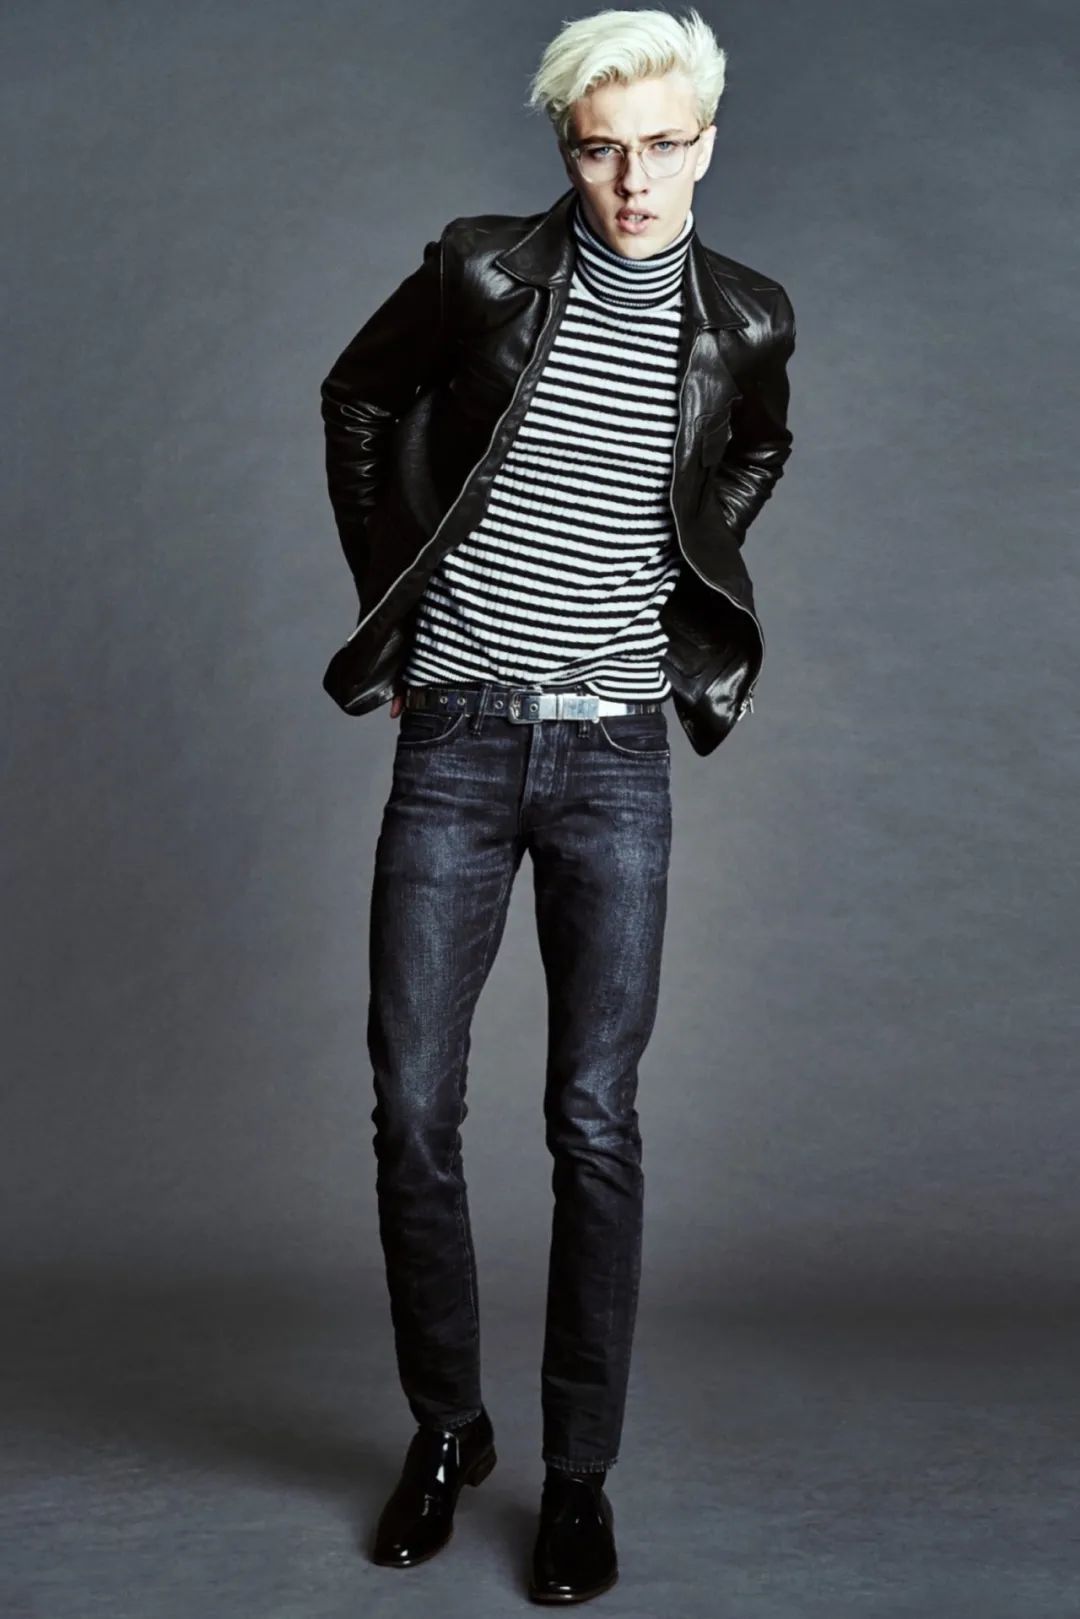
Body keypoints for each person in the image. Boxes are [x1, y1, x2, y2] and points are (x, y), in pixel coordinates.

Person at [318, 6, 796, 1603]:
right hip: (454, 740)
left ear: (707, 141)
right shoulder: (483, 272)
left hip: (613, 758)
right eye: (603, 151)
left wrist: (682, 584)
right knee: (412, 1104)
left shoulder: (748, 318)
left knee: (592, 1117)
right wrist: (397, 603)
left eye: (663, 146)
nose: (635, 182)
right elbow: (357, 398)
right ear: (566, 151)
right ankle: (447, 1429)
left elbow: (753, 451)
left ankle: (579, 1475)